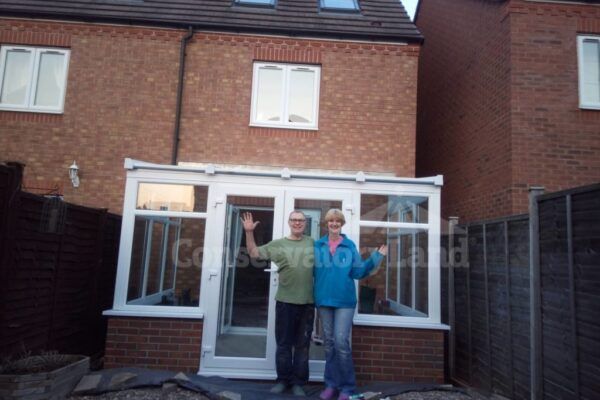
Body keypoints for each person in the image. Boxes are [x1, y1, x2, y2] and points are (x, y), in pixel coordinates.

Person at [314, 209, 387, 400]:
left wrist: (375, 257)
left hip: (344, 302)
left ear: (342, 224)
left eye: (338, 221)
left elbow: (358, 272)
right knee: (329, 344)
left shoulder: (349, 246)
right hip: (323, 300)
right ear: (326, 223)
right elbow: (308, 270)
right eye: (331, 221)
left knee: (341, 342)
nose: (334, 224)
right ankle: (331, 385)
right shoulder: (317, 245)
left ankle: (347, 388)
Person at [241, 210, 314, 397]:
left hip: (307, 303)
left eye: (301, 220)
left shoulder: (313, 243)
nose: (297, 223)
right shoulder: (278, 244)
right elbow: (253, 253)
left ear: (305, 223)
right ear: (289, 222)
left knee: (302, 345)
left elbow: (332, 250)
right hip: (285, 302)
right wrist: (249, 232)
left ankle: (298, 383)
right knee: (283, 344)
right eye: (294, 220)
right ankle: (283, 380)